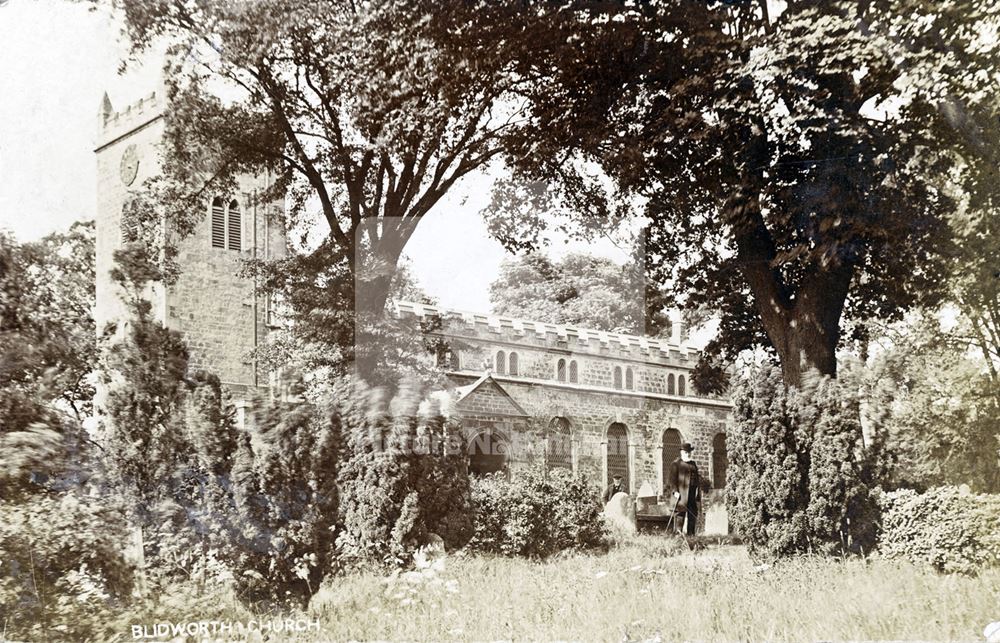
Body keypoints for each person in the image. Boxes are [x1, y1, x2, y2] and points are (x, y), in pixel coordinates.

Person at [666, 442, 701, 535]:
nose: (688, 454)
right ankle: (678, 535)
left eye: (689, 452)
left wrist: (697, 492)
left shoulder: (693, 464)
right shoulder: (676, 464)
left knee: (692, 515)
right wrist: (675, 491)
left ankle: (691, 535)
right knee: (680, 515)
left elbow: (697, 479)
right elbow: (672, 480)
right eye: (686, 452)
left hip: (692, 495)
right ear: (681, 452)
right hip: (681, 495)